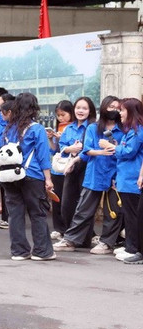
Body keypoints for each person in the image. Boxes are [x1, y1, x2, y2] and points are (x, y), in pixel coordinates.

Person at [55, 96, 123, 254]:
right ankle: (71, 239)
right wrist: (103, 151)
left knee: (112, 211)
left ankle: (106, 243)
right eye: (111, 107)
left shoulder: (123, 129)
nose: (114, 110)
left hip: (115, 175)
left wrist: (113, 149)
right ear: (104, 108)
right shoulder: (93, 128)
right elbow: (86, 150)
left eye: (117, 107)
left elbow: (125, 152)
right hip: (94, 174)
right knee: (83, 209)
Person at [0, 93, 55, 261]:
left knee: (15, 214)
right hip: (32, 175)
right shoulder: (36, 129)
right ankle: (41, 251)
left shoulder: (8, 129)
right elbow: (43, 156)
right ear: (33, 108)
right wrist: (48, 179)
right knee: (37, 213)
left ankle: (19, 251)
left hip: (10, 176)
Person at [58, 96, 95, 235]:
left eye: (84, 108)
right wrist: (69, 149)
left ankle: (85, 237)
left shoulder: (92, 127)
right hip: (70, 168)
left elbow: (91, 148)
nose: (81, 111)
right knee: (67, 204)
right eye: (78, 108)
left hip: (87, 167)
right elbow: (61, 147)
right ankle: (70, 234)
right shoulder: (69, 128)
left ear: (90, 111)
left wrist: (78, 154)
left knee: (84, 205)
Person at [114, 99, 143, 263]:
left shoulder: (138, 131)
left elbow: (129, 152)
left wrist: (113, 148)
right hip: (125, 179)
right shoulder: (131, 131)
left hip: (133, 180)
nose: (120, 113)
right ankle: (129, 246)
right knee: (128, 214)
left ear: (132, 112)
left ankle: (133, 248)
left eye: (123, 110)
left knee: (132, 216)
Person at [47, 100, 74, 237]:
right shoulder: (59, 127)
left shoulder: (74, 128)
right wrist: (52, 140)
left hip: (70, 167)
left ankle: (68, 227)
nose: (61, 118)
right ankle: (58, 227)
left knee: (68, 200)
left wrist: (63, 140)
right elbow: (54, 151)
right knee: (56, 199)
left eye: (63, 114)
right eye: (58, 115)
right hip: (57, 167)